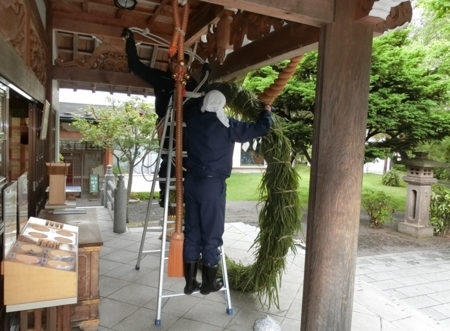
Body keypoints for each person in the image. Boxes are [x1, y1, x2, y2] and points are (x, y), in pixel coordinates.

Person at [182, 90, 273, 295]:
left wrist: (202, 97)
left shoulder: (194, 118)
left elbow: (192, 105)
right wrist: (267, 110)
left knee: (192, 231)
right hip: (212, 185)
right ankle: (208, 284)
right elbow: (261, 127)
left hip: (192, 182)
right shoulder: (228, 126)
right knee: (212, 233)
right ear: (222, 106)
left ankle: (189, 283)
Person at [121, 27, 201, 208]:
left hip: (188, 128)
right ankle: (166, 194)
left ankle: (188, 197)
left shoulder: (194, 84)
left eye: (184, 64)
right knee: (168, 159)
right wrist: (130, 41)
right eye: (177, 63)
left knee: (189, 160)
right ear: (170, 63)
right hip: (167, 125)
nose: (181, 67)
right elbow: (136, 66)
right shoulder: (160, 78)